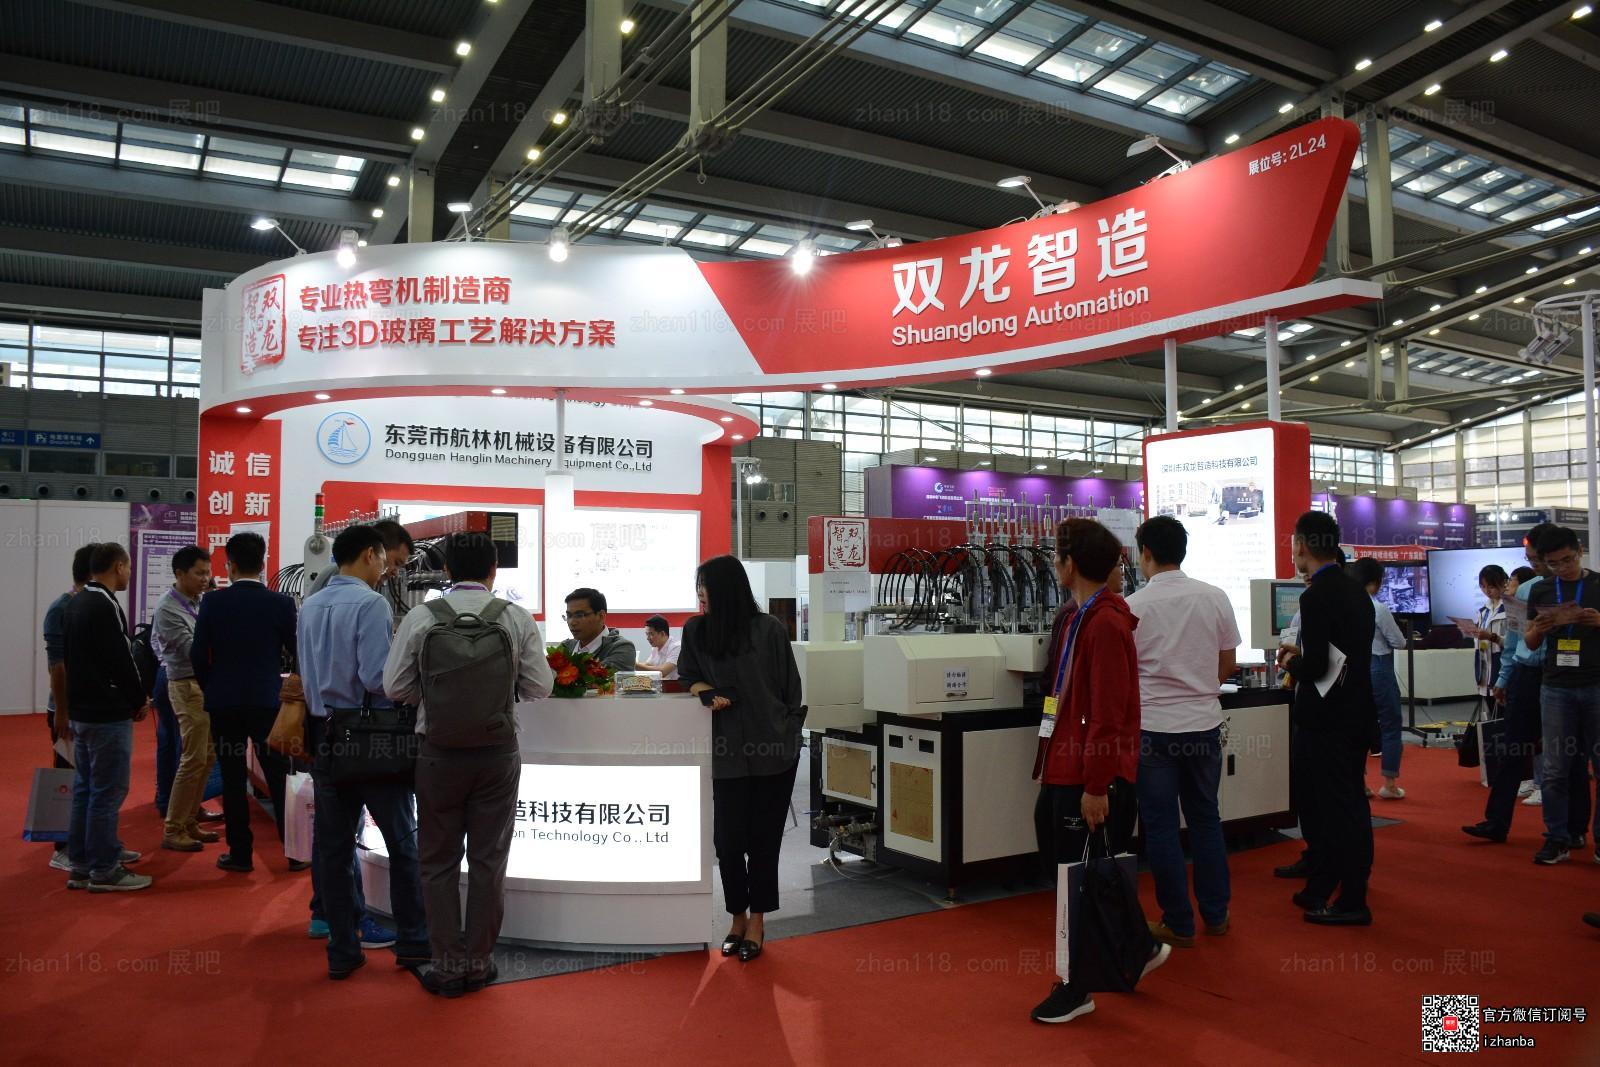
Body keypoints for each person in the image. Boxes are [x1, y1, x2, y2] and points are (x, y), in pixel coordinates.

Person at [384, 531, 553, 997]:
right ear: (494, 569)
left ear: (447, 571)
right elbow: (541, 687)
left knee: (437, 861)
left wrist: (431, 697)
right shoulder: (515, 617)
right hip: (497, 754)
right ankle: (479, 964)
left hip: (437, 754)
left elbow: (394, 687)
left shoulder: (422, 616)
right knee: (488, 860)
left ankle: (446, 966)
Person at [1030, 519, 1167, 1025]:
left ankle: (1076, 985)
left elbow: (1109, 715)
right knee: (1073, 868)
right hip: (1063, 762)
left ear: (1071, 564)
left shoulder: (1106, 624)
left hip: (1087, 773)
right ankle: (1137, 945)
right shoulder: (1075, 617)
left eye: (1057, 555)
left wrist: (1096, 784)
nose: (1053, 563)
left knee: (1076, 880)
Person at [299, 524, 429, 980]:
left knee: (334, 850)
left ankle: (342, 949)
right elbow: (378, 678)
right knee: (402, 841)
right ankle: (414, 941)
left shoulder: (310, 604)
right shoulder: (370, 603)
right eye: (387, 561)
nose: (388, 570)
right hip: (373, 738)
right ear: (370, 554)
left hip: (325, 735)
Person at [677, 555, 805, 965]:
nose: (700, 593)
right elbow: (687, 675)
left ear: (726, 588)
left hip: (774, 750)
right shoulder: (696, 630)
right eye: (698, 586)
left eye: (705, 585)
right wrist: (704, 691)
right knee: (728, 844)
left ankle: (758, 922)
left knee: (764, 842)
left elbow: (790, 689)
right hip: (726, 751)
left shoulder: (769, 629)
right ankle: (736, 917)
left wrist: (787, 730)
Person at [1124, 516, 1239, 949]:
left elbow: (1125, 674)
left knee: (1161, 828)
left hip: (1153, 729)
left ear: (1146, 554)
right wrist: (1199, 688)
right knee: (1206, 818)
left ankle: (1178, 922)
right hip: (1204, 725)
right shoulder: (1215, 597)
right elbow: (1227, 662)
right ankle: (1217, 914)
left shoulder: (1133, 606)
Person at [1277, 510, 1376, 926]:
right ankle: (1327, 885)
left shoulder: (1316, 596)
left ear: (1302, 546)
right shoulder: (1356, 591)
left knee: (1335, 809)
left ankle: (1352, 900)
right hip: (1355, 713)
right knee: (1348, 804)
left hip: (1325, 719)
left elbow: (1317, 666)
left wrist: (1292, 661)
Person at [190, 532, 297, 873]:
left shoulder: (213, 603)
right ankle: (295, 852)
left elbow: (198, 655)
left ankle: (240, 854)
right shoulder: (281, 603)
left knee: (233, 778)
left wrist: (211, 687)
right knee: (278, 775)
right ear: (263, 564)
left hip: (224, 703)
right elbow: (297, 652)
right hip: (267, 701)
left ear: (230, 566)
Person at [62, 542, 152, 892]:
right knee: (107, 791)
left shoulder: (76, 602)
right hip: (105, 713)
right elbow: (122, 659)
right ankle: (104, 869)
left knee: (86, 788)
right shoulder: (105, 604)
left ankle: (82, 861)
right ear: (118, 566)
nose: (129, 573)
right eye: (128, 567)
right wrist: (138, 698)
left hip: (83, 711)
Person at [1523, 525, 1600, 866]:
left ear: (1579, 551)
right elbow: (1529, 642)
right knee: (1555, 768)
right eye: (1553, 563)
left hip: (1596, 683)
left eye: (1567, 560)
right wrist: (1538, 630)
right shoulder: (1541, 589)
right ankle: (1557, 838)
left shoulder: (1597, 585)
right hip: (1556, 686)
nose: (1562, 568)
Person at [1466, 550, 1548, 843]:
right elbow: (1513, 644)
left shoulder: (1585, 587)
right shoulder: (1524, 592)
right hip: (1525, 675)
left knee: (1567, 754)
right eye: (1532, 558)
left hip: (1566, 678)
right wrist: (1503, 680)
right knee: (1513, 749)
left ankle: (1567, 830)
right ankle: (1496, 821)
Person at [155, 546, 218, 852]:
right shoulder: (168, 609)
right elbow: (194, 650)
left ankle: (190, 819)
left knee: (207, 756)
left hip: (204, 684)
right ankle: (174, 828)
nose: (205, 578)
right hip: (186, 686)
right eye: (199, 573)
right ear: (180, 573)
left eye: (208, 572)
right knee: (192, 758)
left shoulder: (200, 601)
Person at [43, 543, 95, 871]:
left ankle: (88, 843)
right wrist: (62, 712)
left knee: (89, 779)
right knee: (67, 778)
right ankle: (62, 847)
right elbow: (57, 666)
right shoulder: (62, 608)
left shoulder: (91, 605)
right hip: (67, 710)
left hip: (90, 708)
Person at [1352, 558, 1408, 801]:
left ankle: (1360, 783)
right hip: (1379, 667)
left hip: (1355, 669)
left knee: (1359, 726)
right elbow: (1399, 642)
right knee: (1391, 724)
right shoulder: (1379, 608)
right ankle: (1389, 783)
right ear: (1375, 583)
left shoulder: (1347, 606)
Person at [305, 517, 413, 598]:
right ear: (378, 550)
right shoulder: (337, 574)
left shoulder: (369, 587)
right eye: (397, 563)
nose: (396, 573)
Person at [559, 588, 637, 674]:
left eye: (579, 615)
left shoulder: (621, 647)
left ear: (601, 616)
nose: (572, 622)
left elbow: (599, 678)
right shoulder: (565, 647)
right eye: (569, 616)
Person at [1470, 565, 1510, 720]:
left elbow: (1514, 644)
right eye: (1483, 586)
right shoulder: (1483, 611)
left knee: (1504, 715)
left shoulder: (1510, 609)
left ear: (1503, 583)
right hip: (1484, 667)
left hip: (1502, 665)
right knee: (1491, 716)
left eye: (1491, 586)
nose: (1487, 591)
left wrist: (1492, 637)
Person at [636, 615, 681, 680]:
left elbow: (663, 672)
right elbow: (648, 665)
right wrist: (629, 663)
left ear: (662, 634)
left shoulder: (677, 647)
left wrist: (635, 665)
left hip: (675, 685)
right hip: (661, 684)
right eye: (647, 634)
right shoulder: (656, 646)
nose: (647, 638)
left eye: (651, 634)